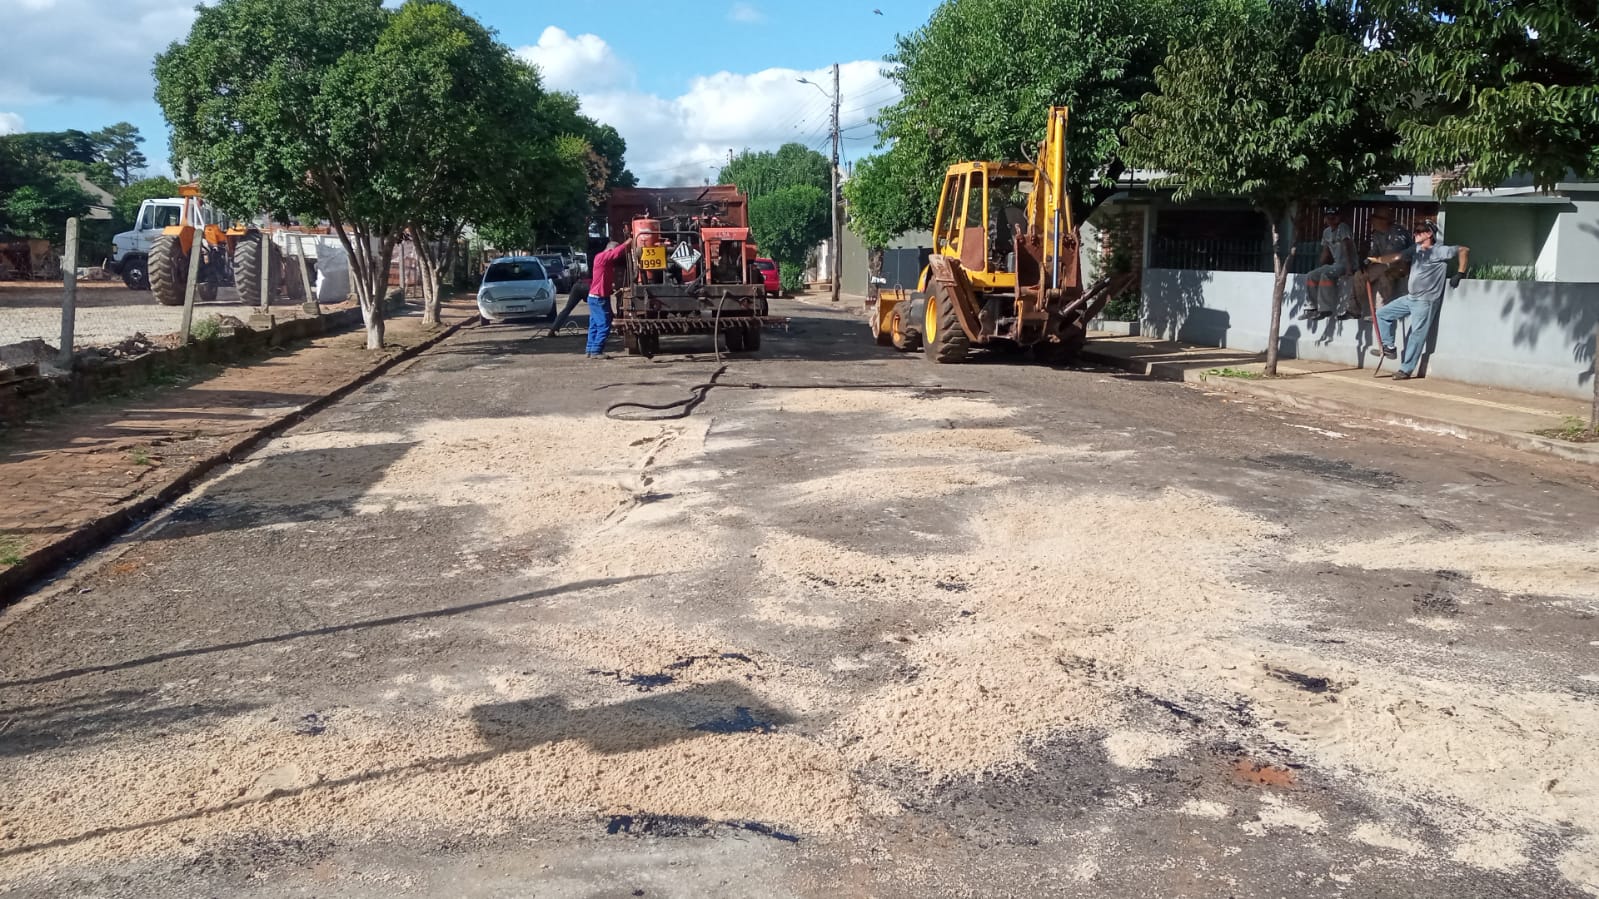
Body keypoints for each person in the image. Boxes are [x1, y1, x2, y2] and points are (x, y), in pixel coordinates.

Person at [1367, 219, 1469, 380]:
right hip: (1411, 298)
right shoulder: (1416, 249)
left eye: (1420, 231)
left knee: (1416, 335)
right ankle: (1389, 347)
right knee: (1382, 314)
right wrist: (1375, 260)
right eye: (1415, 230)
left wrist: (1460, 273)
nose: (1415, 233)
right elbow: (1397, 257)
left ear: (1429, 233)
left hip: (1426, 300)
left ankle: (1406, 370)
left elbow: (1463, 250)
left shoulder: (1439, 251)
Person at [582, 236, 634, 359]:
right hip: (598, 298)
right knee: (604, 324)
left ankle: (590, 349)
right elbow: (616, 253)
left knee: (594, 325)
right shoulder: (602, 257)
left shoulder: (602, 260)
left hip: (597, 297)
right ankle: (596, 350)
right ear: (610, 250)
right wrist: (629, 241)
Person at [1304, 207, 1357, 321]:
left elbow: (1346, 247)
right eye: (1329, 217)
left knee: (1326, 275)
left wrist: (1349, 269)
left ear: (1338, 217)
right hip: (1336, 264)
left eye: (1334, 217)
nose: (1331, 219)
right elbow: (1325, 251)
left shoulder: (1343, 228)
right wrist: (1320, 265)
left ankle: (1325, 309)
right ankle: (1313, 307)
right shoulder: (1326, 232)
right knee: (1311, 275)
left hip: (1347, 263)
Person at [1356, 213, 1411, 310]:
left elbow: (1393, 257)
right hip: (1383, 265)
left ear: (1383, 221)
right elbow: (1374, 252)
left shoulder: (1397, 233)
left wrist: (1373, 261)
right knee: (1359, 274)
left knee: (1385, 275)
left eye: (1374, 220)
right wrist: (1366, 262)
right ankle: (1354, 308)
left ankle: (1380, 311)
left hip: (1401, 266)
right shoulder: (1377, 234)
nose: (1372, 223)